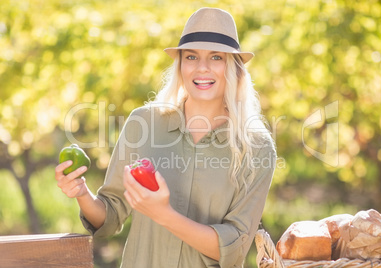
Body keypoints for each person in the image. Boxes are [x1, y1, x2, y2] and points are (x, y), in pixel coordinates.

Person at [55, 7, 276, 268]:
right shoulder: (143, 124)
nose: (202, 68)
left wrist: (163, 214)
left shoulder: (257, 147)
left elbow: (234, 247)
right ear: (180, 65)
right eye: (191, 57)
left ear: (234, 68)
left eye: (216, 57)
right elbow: (110, 215)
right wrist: (82, 193)